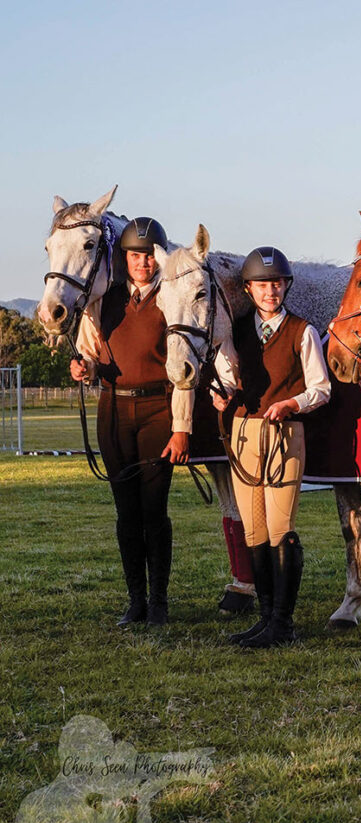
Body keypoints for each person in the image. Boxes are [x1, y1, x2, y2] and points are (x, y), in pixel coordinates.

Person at [70, 217, 189, 626]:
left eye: (150, 255)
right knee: (126, 513)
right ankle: (135, 600)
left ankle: (159, 601)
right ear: (125, 258)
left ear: (160, 257)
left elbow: (185, 367)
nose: (143, 263)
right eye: (136, 255)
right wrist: (82, 366)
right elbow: (89, 352)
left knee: (154, 511)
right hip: (114, 412)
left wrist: (181, 428)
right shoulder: (103, 301)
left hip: (158, 409)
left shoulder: (172, 298)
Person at [212, 247, 331, 648]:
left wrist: (292, 403)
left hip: (284, 433)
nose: (270, 291)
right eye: (262, 284)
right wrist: (223, 395)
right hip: (245, 432)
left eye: (276, 283)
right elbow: (228, 377)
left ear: (285, 286)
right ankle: (264, 619)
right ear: (248, 288)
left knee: (281, 529)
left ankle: (284, 622)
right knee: (255, 530)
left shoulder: (303, 331)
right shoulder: (236, 332)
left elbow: (321, 388)